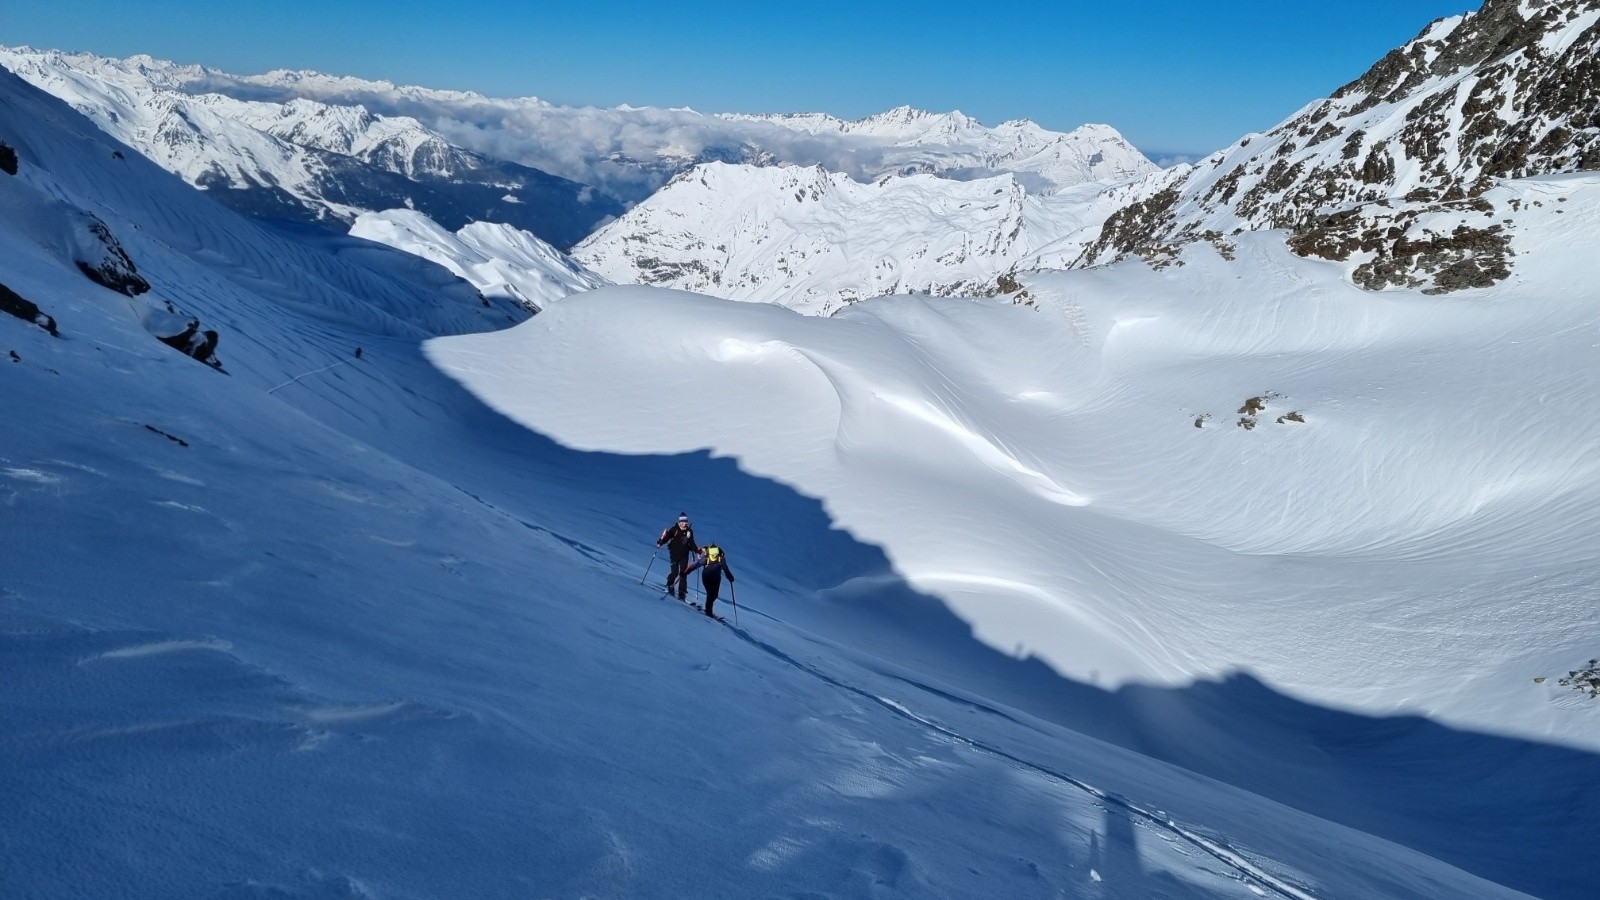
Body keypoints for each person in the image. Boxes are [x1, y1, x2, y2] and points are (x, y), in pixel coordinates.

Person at [682, 543, 735, 619]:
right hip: (710, 578)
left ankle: (708, 609)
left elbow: (725, 568)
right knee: (711, 594)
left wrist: (729, 576)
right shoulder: (712, 558)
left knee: (714, 595)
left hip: (712, 578)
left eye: (715, 554)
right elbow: (696, 565)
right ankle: (708, 611)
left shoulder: (715, 558)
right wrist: (685, 573)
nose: (713, 555)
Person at [655, 513, 698, 600]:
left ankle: (682, 593)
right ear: (679, 522)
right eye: (682, 521)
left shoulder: (689, 532)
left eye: (685, 521)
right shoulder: (674, 529)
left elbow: (692, 543)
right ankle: (670, 585)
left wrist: (697, 550)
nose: (684, 523)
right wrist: (660, 542)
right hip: (674, 554)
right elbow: (666, 538)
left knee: (683, 574)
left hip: (684, 556)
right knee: (675, 573)